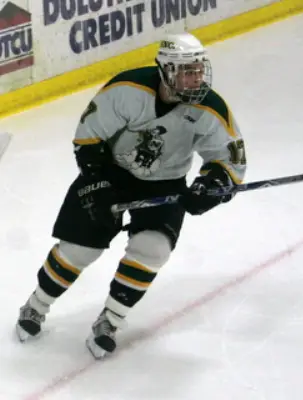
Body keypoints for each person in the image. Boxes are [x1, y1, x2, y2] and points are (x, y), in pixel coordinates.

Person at [16, 32, 247, 359]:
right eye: (188, 71)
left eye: (199, 69)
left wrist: (211, 186)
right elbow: (88, 138)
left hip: (166, 182)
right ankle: (36, 305)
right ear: (166, 69)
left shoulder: (210, 107)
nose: (197, 78)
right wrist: (96, 184)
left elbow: (229, 160)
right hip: (111, 174)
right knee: (79, 249)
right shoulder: (127, 90)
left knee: (152, 249)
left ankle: (110, 320)